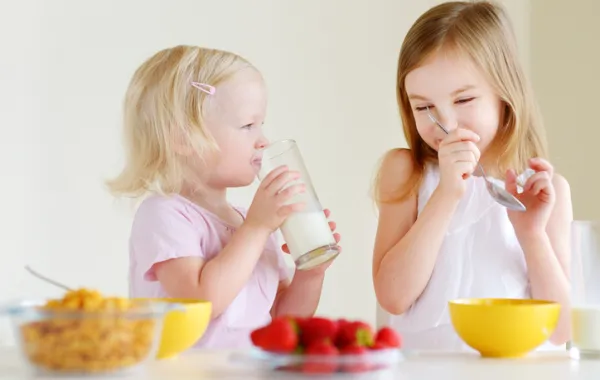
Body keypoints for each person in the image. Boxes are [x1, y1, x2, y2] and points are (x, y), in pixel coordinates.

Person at [107, 45, 340, 349]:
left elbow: (283, 320)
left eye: (262, 124)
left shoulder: (251, 221)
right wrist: (256, 228)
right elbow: (199, 303)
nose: (263, 142)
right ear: (183, 139)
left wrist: (310, 274)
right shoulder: (164, 215)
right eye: (247, 126)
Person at [372, 1, 572, 351]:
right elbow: (393, 297)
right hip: (424, 371)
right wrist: (447, 194)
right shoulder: (407, 172)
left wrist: (532, 234)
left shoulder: (546, 190)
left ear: (504, 94)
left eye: (463, 100)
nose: (446, 124)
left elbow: (561, 331)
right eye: (423, 107)